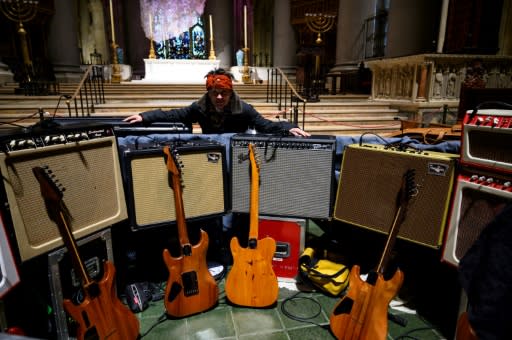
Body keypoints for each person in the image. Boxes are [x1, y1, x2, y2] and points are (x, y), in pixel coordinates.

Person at [123, 68, 310, 137]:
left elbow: (266, 125)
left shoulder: (244, 109)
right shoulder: (199, 108)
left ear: (231, 92)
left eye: (224, 93)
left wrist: (289, 127)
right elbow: (172, 114)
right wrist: (144, 116)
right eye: (215, 93)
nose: (219, 97)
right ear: (209, 93)